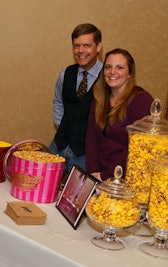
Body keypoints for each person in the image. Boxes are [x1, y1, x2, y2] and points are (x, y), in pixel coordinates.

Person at [86, 48, 154, 181]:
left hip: (125, 179)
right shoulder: (99, 99)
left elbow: (134, 149)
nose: (112, 72)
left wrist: (106, 176)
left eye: (120, 67)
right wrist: (93, 174)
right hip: (98, 176)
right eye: (108, 67)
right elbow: (91, 139)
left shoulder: (141, 101)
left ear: (129, 73)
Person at [50, 23, 103, 174]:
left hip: (86, 155)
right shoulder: (65, 73)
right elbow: (58, 102)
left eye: (86, 45)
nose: (80, 51)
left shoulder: (108, 78)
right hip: (58, 147)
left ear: (98, 47)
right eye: (76, 46)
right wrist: (62, 125)